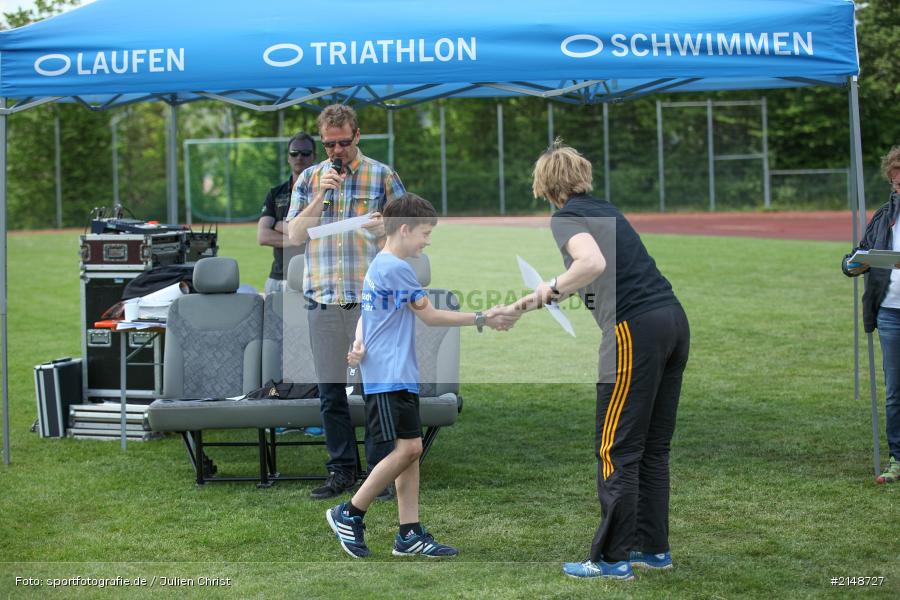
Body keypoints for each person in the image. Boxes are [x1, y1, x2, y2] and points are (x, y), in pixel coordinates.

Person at [494, 140, 690, 580]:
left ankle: (612, 559)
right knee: (652, 449)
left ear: (546, 186)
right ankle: (652, 548)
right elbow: (583, 271)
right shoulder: (605, 210)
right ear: (581, 175)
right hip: (672, 321)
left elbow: (590, 263)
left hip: (633, 330)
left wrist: (544, 293)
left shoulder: (566, 216)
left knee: (615, 448)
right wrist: (520, 308)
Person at [325, 192, 515, 558]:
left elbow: (368, 314)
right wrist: (482, 318)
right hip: (389, 375)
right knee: (410, 448)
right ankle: (349, 513)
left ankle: (409, 534)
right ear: (406, 229)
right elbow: (429, 316)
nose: (428, 241)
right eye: (425, 233)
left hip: (396, 373)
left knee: (408, 453)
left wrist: (359, 341)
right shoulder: (395, 267)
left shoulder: (381, 263)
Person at [287, 104, 405, 500]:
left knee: (375, 390)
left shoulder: (382, 175)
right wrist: (322, 193)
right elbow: (294, 236)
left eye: (343, 142)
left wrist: (382, 229)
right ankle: (340, 470)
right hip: (323, 297)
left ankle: (378, 473)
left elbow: (407, 236)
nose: (336, 151)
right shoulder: (310, 177)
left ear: (357, 135)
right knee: (331, 391)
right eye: (328, 144)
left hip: (370, 302)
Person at [843, 145, 900, 484]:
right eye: (895, 185)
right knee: (895, 391)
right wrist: (851, 265)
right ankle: (897, 459)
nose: (898, 190)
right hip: (889, 313)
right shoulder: (884, 214)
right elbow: (859, 252)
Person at [258, 132, 316, 295]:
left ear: (314, 157)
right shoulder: (276, 193)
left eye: (305, 153)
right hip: (276, 278)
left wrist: (278, 225)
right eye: (294, 153)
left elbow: (318, 231)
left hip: (309, 278)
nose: (299, 157)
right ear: (288, 157)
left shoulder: (322, 192)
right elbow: (263, 237)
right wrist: (297, 238)